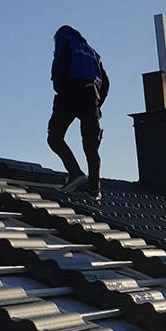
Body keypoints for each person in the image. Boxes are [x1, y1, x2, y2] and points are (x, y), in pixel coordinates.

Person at [47, 25, 109, 200]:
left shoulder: (64, 41)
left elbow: (59, 66)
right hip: (91, 100)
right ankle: (95, 190)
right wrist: (98, 103)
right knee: (91, 147)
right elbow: (106, 83)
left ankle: (75, 172)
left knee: (54, 137)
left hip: (69, 95)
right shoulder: (93, 53)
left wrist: (59, 89)